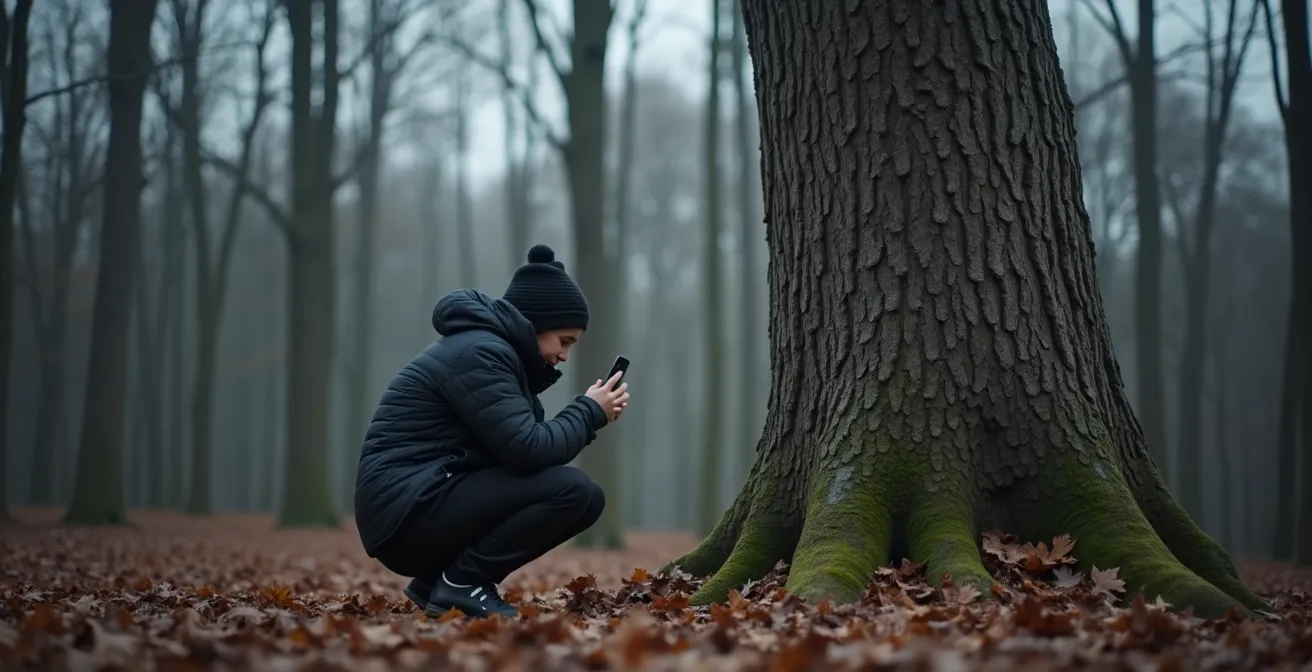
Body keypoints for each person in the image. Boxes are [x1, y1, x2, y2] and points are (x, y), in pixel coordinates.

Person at [352, 244, 630, 619]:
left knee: (579, 493)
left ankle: (436, 581)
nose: (565, 355)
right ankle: (462, 584)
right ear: (534, 323)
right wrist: (588, 412)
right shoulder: (481, 354)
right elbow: (529, 449)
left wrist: (587, 415)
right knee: (576, 491)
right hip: (406, 513)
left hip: (414, 505)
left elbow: (521, 454)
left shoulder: (492, 355)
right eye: (564, 341)